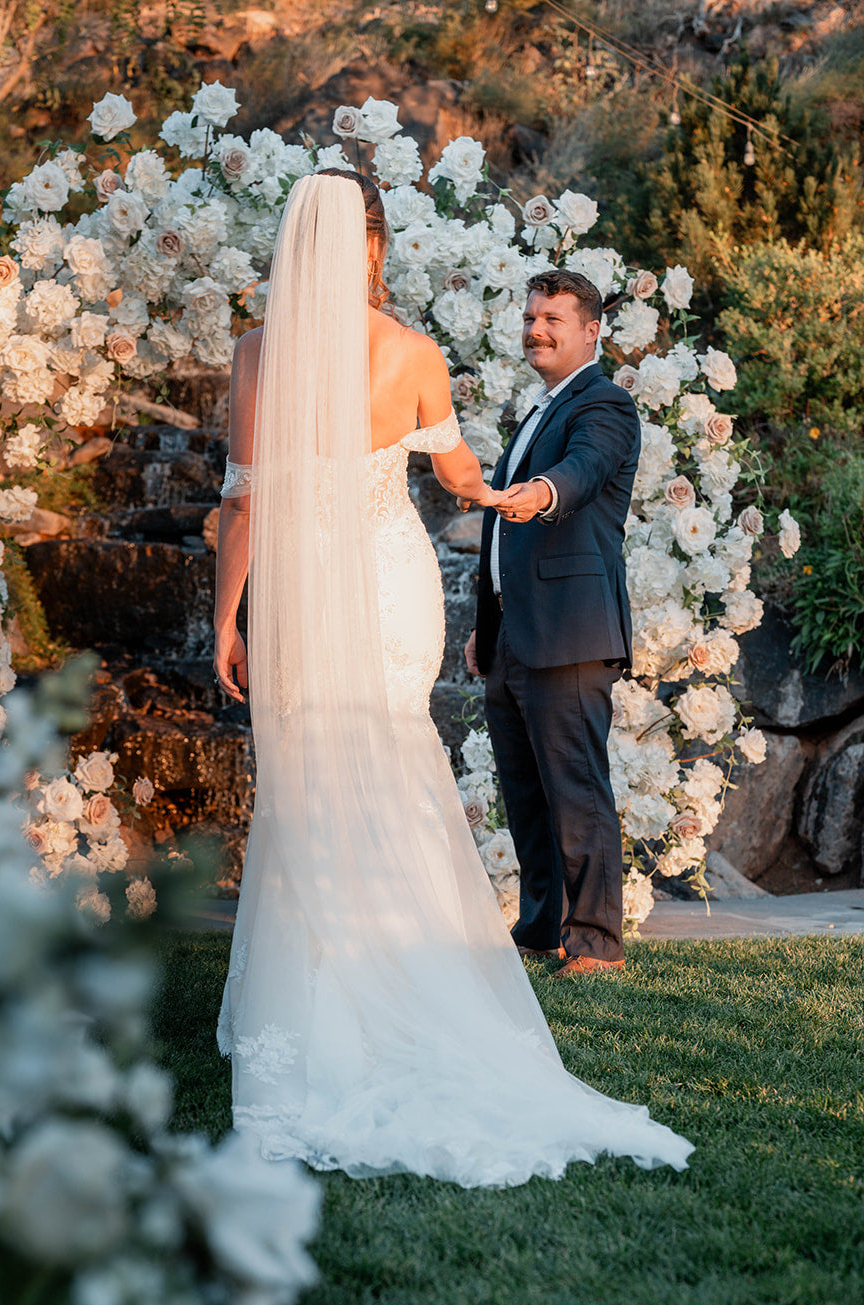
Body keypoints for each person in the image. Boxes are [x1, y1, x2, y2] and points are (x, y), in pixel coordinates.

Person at [213, 172, 693, 1187]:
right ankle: (421, 963)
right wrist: (493, 490)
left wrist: (231, 617)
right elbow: (457, 480)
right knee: (392, 759)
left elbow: (243, 506)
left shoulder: (258, 356)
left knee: (311, 775)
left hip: (299, 593)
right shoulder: (413, 356)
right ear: (375, 248)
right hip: (389, 590)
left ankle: (330, 986)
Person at [464, 270, 638, 977]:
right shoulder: (539, 407)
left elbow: (582, 471)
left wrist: (537, 492)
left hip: (569, 632)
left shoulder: (605, 404)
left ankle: (595, 942)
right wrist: (486, 623)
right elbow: (497, 538)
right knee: (526, 791)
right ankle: (541, 926)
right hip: (512, 633)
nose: (535, 328)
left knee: (574, 788)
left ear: (590, 331)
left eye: (552, 319)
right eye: (531, 316)